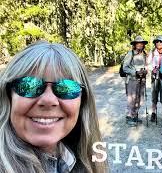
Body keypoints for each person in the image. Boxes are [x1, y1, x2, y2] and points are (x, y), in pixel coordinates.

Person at [0, 41, 107, 172]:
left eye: (67, 87)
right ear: (8, 96)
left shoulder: (84, 160)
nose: (48, 100)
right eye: (29, 85)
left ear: (82, 101)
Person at [123, 36, 148, 126]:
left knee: (140, 99)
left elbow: (146, 65)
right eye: (138, 43)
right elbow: (125, 68)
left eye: (141, 43)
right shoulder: (131, 54)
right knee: (132, 99)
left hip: (142, 80)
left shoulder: (144, 54)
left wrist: (145, 71)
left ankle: (135, 115)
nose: (140, 45)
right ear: (134, 44)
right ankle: (129, 117)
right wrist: (135, 72)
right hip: (132, 80)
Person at [147, 35, 162, 122]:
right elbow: (148, 64)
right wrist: (153, 69)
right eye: (157, 41)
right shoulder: (152, 52)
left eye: (161, 41)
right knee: (154, 95)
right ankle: (153, 113)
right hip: (154, 76)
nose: (159, 43)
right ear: (155, 43)